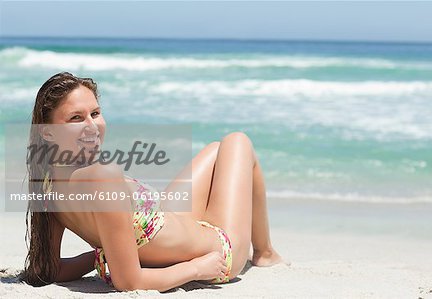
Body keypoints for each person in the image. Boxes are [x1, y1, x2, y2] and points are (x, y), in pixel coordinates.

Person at [22, 72, 286, 292]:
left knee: (218, 150)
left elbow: (48, 269)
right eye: (76, 118)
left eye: (95, 113)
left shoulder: (48, 187)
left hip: (170, 226)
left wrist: (103, 256)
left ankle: (263, 250)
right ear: (47, 132)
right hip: (217, 251)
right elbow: (130, 282)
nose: (92, 126)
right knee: (237, 141)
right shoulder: (101, 177)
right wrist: (196, 268)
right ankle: (264, 252)